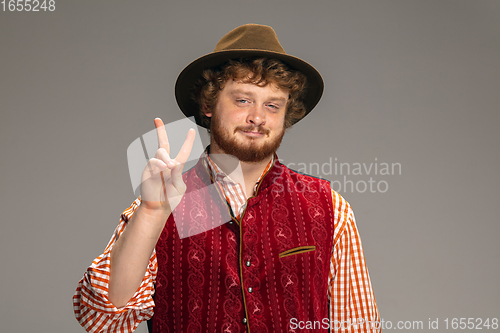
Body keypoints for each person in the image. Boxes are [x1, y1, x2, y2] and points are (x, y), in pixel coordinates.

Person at [73, 24, 380, 333]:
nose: (257, 117)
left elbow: (359, 326)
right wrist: (152, 214)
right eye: (242, 100)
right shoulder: (161, 200)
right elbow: (100, 318)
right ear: (208, 105)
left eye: (272, 105)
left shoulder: (330, 208)